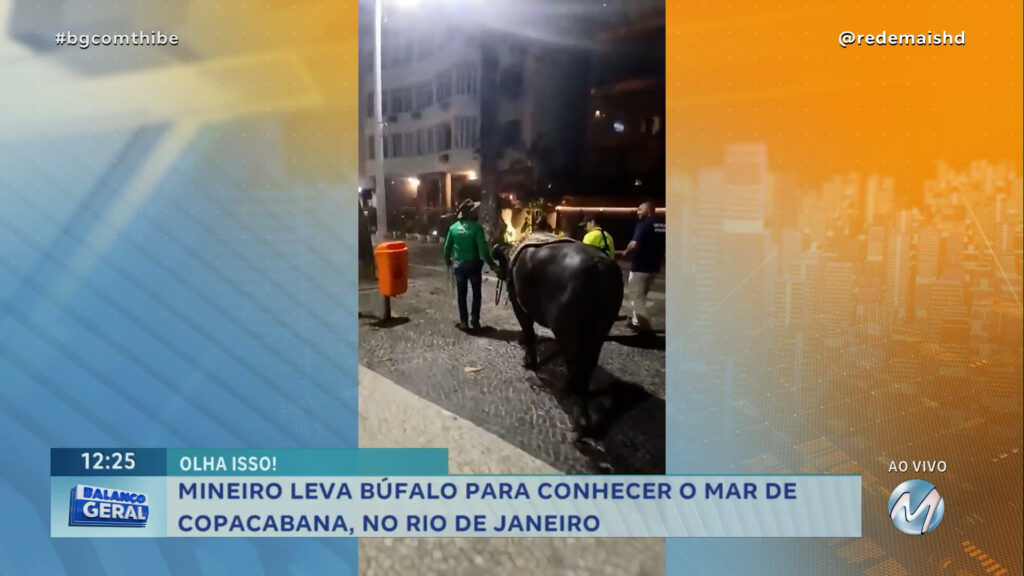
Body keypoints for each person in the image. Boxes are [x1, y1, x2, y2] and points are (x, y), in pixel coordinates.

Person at [443, 200, 498, 331]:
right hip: (474, 265)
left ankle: (464, 322)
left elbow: (446, 249)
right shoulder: (477, 228)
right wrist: (492, 265)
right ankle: (475, 320)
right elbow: (483, 251)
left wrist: (447, 261)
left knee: (461, 294)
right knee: (476, 293)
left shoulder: (453, 228)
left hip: (459, 266)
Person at [618, 201, 665, 334]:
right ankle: (635, 321)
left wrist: (625, 253)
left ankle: (644, 327)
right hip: (654, 267)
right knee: (641, 296)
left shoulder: (644, 224)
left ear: (648, 210)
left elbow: (634, 244)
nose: (637, 212)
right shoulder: (662, 225)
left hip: (641, 267)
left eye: (640, 209)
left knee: (636, 297)